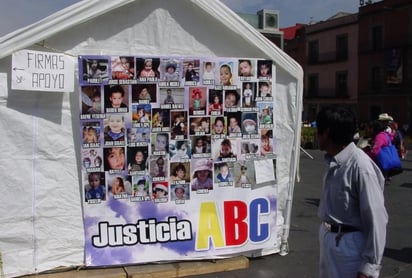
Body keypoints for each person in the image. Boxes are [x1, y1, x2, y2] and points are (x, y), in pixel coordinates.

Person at [316, 106, 387, 278]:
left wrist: (369, 267)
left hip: (348, 246)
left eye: (318, 130)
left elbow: (376, 219)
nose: (315, 135)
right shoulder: (335, 161)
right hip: (331, 239)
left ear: (326, 133)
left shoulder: (360, 167)